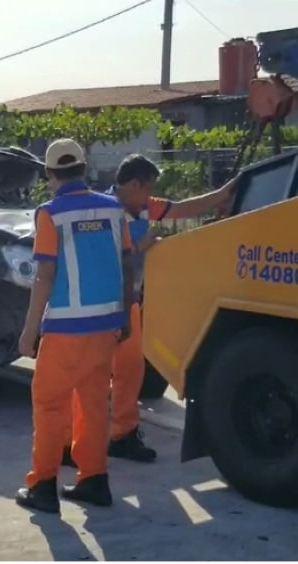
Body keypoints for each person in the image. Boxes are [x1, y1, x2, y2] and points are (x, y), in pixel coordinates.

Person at [61, 153, 239, 465]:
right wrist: (139, 246)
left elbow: (185, 208)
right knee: (91, 376)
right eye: (147, 188)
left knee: (130, 371)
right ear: (131, 184)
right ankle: (70, 442)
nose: (150, 197)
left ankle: (123, 435)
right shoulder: (101, 209)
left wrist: (224, 193)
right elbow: (95, 255)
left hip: (128, 302)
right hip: (98, 304)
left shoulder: (143, 206)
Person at [16, 138, 135, 514]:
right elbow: (128, 263)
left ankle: (44, 485)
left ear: (50, 174)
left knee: (50, 405)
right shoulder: (115, 210)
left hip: (66, 329)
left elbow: (45, 274)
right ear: (84, 168)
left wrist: (29, 329)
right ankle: (94, 479)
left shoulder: (50, 214)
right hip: (106, 326)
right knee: (94, 403)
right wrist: (127, 315)